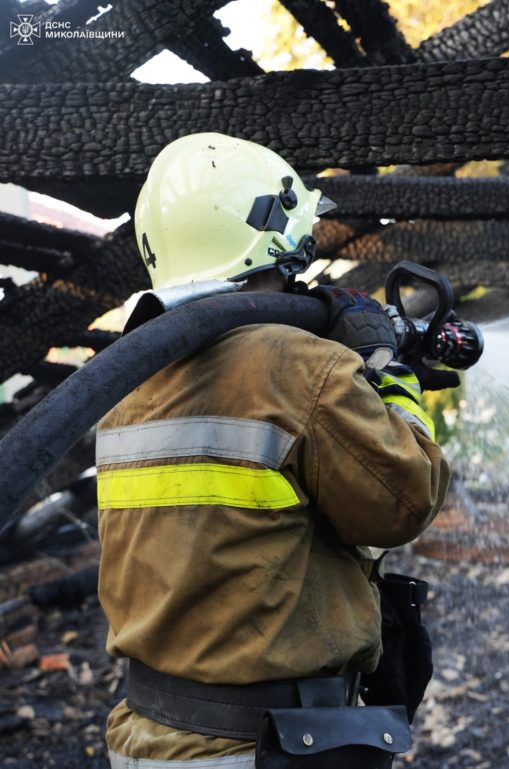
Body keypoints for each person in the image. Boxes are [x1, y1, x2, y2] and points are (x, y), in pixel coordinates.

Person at [95, 133, 450, 768]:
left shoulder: (128, 380)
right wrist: (387, 370)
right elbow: (406, 499)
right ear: (277, 245)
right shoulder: (292, 363)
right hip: (264, 745)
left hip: (145, 739)